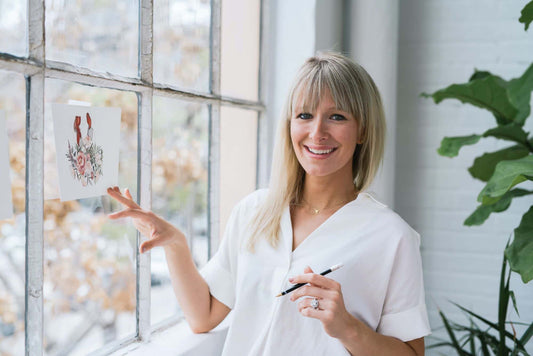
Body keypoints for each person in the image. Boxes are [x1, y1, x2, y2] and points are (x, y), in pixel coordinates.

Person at [107, 52, 431, 355]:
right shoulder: (254, 211)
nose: (317, 132)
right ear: (289, 124)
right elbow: (203, 316)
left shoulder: (392, 236)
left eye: (337, 116)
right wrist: (176, 245)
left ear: (362, 130)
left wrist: (349, 329)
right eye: (304, 115)